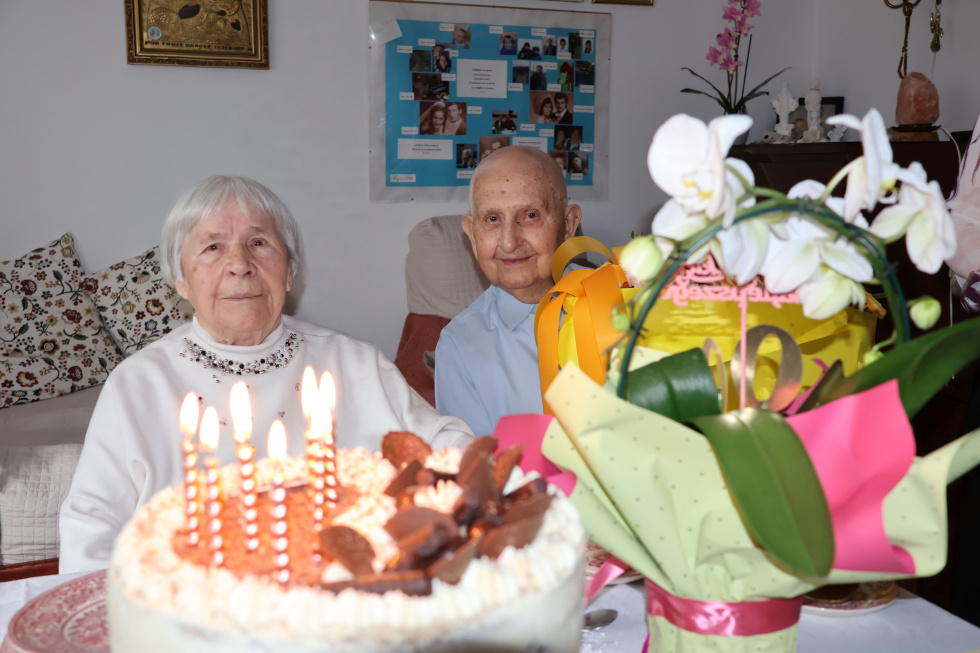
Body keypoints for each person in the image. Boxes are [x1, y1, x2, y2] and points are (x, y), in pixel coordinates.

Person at [59, 176, 473, 572]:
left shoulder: (356, 363)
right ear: (180, 280)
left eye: (259, 243)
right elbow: (90, 530)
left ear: (290, 271)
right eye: (212, 248)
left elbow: (449, 448)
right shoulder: (139, 384)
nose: (240, 264)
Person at [434, 147, 582, 437]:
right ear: (472, 234)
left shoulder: (621, 299)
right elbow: (480, 467)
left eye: (530, 215)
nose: (510, 242)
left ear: (567, 226)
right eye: (492, 220)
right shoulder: (459, 345)